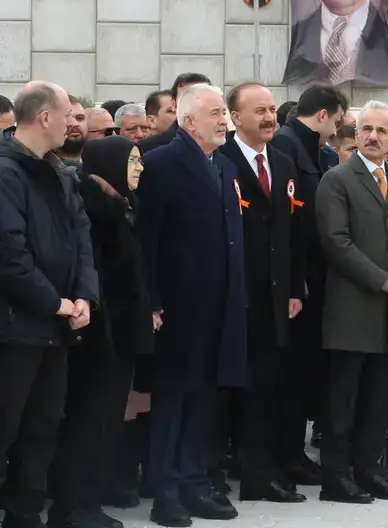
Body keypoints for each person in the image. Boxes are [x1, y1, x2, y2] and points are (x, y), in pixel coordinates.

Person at [137, 84, 248, 527]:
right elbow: (146, 240)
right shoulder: (161, 164)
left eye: (225, 112)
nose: (225, 120)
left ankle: (193, 482)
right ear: (187, 122)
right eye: (216, 113)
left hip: (218, 309)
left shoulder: (221, 165)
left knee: (203, 403)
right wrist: (152, 300)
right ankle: (166, 493)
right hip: (176, 311)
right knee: (172, 405)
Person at [315, 100, 388, 503]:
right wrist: (385, 281)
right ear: (356, 134)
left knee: (378, 401)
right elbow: (336, 243)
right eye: (367, 129)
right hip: (352, 309)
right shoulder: (337, 180)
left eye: (382, 130)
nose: (374, 137)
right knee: (343, 402)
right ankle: (336, 478)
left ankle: (368, 470)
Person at [0, 81, 97, 528]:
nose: (73, 124)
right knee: (6, 427)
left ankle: (25, 515)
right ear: (44, 117)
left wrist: (83, 297)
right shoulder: (6, 171)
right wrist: (55, 303)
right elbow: (9, 254)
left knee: (42, 428)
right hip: (14, 328)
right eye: (68, 116)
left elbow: (82, 242)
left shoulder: (61, 173)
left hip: (56, 328)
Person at [49, 135, 154, 528]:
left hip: (119, 335)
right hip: (98, 338)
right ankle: (74, 507)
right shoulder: (95, 212)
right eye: (132, 160)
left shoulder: (121, 207)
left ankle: (88, 502)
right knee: (88, 422)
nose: (139, 168)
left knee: (106, 422)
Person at [218, 83, 307, 504]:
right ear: (235, 118)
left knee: (266, 390)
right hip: (232, 297)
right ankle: (222, 472)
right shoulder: (221, 161)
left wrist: (293, 287)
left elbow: (291, 233)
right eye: (259, 111)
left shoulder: (284, 163)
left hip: (274, 301)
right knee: (227, 393)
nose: (270, 117)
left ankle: (259, 474)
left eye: (273, 109)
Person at [268, 85, 349, 486]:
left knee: (302, 375)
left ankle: (290, 452)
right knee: (290, 375)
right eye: (337, 120)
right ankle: (282, 456)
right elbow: (289, 221)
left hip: (312, 278)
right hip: (296, 282)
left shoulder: (312, 149)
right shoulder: (285, 146)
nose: (336, 129)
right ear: (323, 114)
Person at [139, 73, 211, 155]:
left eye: (204, 98)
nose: (197, 104)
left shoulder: (223, 144)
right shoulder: (148, 148)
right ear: (174, 104)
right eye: (187, 98)